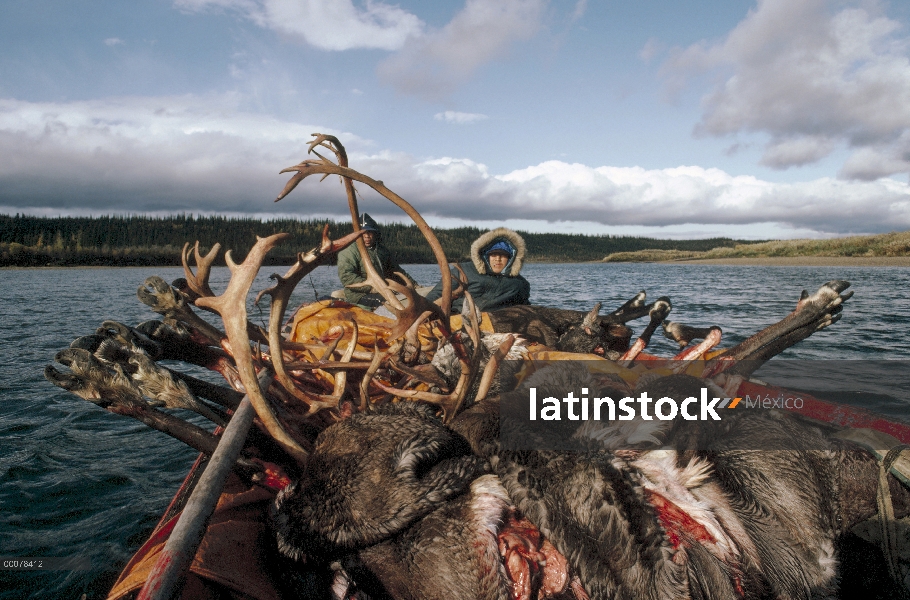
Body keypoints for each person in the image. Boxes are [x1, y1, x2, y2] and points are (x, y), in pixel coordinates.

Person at [425, 227, 530, 313]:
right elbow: (437, 294)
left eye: (503, 255)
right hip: (457, 320)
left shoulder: (519, 284)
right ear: (485, 256)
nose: (497, 259)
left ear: (511, 258)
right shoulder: (463, 271)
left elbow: (525, 309)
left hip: (498, 326)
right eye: (493, 255)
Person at [337, 213, 417, 310]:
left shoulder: (381, 251)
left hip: (383, 290)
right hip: (359, 295)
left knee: (409, 299)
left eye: (369, 232)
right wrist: (372, 288)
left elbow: (396, 271)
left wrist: (413, 285)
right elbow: (347, 277)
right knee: (388, 303)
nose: (367, 236)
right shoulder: (348, 251)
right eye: (362, 233)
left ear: (375, 234)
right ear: (356, 234)